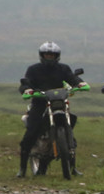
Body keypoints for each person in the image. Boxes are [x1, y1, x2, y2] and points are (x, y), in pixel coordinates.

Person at [17, 41, 87, 177]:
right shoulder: (33, 69)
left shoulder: (64, 68)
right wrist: (27, 90)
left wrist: (80, 83)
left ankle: (73, 167)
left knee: (71, 124)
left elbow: (72, 78)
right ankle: (22, 169)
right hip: (39, 103)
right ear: (41, 55)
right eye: (47, 55)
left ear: (57, 56)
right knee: (30, 134)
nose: (49, 57)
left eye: (52, 55)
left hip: (59, 103)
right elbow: (26, 83)